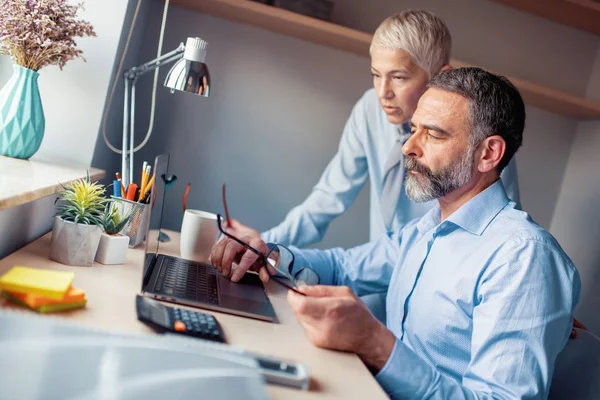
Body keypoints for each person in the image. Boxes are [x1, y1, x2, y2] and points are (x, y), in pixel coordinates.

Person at [210, 67, 580, 399]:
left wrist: (375, 343)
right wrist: (269, 253)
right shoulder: (426, 228)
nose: (408, 147)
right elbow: (343, 267)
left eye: (432, 135)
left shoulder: (523, 257)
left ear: (488, 154)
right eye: (413, 129)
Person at [245, 10, 520, 249]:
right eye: (376, 75)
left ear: (440, 76)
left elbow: (497, 223)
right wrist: (262, 244)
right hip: (378, 265)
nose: (383, 92)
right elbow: (329, 196)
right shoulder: (369, 109)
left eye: (398, 77)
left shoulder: (480, 136)